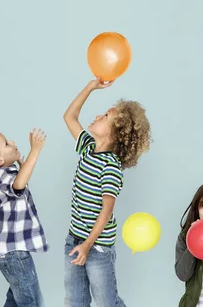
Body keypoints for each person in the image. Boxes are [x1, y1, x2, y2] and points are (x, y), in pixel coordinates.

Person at [63, 78, 152, 306]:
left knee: (106, 302)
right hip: (75, 238)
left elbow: (106, 210)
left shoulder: (111, 166)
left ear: (116, 133)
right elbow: (69, 117)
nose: (97, 116)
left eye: (105, 117)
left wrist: (88, 245)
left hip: (97, 246)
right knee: (75, 300)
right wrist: (90, 87)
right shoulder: (87, 147)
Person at [0, 127, 48, 307]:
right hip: (14, 253)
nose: (12, 143)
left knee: (16, 300)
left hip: (12, 253)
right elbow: (19, 184)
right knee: (32, 301)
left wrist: (22, 165)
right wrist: (34, 151)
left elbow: (20, 180)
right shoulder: (0, 175)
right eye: (6, 144)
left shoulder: (3, 172)